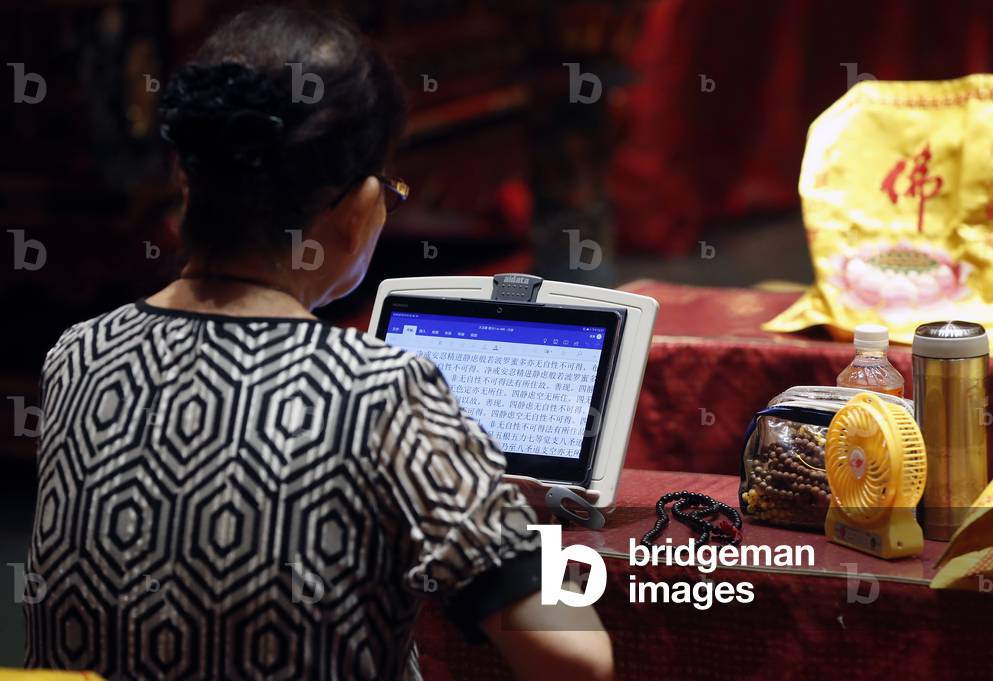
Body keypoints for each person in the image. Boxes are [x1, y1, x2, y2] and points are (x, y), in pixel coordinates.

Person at [24, 6, 613, 681]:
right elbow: (576, 658)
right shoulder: (380, 391)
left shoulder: (79, 353)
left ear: (186, 183)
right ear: (358, 205)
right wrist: (500, 519)